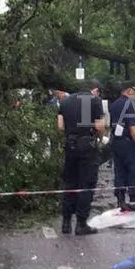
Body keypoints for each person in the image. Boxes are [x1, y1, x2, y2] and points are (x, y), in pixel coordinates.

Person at [57, 80, 106, 235]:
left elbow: (60, 126)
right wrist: (99, 136)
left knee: (70, 183)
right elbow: (100, 126)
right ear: (94, 89)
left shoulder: (65, 101)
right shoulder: (95, 100)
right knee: (87, 184)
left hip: (70, 145)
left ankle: (66, 223)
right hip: (87, 147)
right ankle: (81, 223)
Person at [109, 81, 135, 212]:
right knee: (134, 171)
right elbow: (133, 127)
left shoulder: (114, 104)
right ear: (129, 91)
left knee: (119, 171)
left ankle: (120, 200)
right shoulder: (129, 104)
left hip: (117, 142)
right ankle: (134, 200)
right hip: (128, 143)